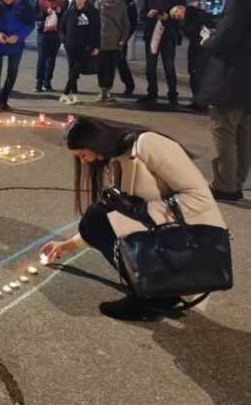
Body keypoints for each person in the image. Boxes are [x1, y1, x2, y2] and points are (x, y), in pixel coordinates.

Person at [40, 117, 226, 321]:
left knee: (98, 216)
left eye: (82, 155)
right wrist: (67, 245)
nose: (83, 161)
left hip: (190, 238)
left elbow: (199, 197)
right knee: (96, 218)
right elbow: (109, 219)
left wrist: (143, 211)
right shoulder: (115, 160)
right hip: (161, 232)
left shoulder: (148, 144)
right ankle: (154, 288)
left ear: (94, 143)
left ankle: (157, 296)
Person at [199, 0, 251, 202]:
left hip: (232, 80)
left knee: (225, 133)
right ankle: (236, 183)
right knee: (244, 135)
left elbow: (223, 42)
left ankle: (224, 186)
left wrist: (207, 39)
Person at [139, 0, 186, 105]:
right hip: (152, 35)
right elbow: (142, 15)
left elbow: (183, 15)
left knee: (169, 66)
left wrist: (169, 17)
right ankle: (152, 93)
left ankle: (173, 95)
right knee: (150, 67)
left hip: (169, 36)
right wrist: (148, 15)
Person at [59, 0, 100, 105]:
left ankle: (65, 94)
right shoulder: (69, 11)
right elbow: (62, 28)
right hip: (70, 46)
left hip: (86, 46)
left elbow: (97, 30)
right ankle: (74, 96)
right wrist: (63, 40)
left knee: (76, 69)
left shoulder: (92, 12)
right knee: (72, 71)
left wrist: (96, 46)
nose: (80, 0)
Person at [170, 4, 213, 111]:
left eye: (176, 14)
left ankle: (201, 103)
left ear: (181, 9)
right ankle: (197, 101)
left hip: (203, 50)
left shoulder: (198, 16)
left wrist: (183, 25)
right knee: (194, 76)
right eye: (175, 17)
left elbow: (195, 32)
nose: (177, 17)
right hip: (195, 48)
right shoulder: (187, 19)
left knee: (198, 76)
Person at [95, 0, 130, 103]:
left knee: (110, 68)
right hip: (100, 41)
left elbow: (126, 24)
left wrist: (123, 40)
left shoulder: (121, 4)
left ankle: (108, 91)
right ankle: (102, 91)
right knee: (101, 67)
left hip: (115, 43)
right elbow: (93, 22)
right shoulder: (98, 3)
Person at [34, 0, 69, 93]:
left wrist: (60, 12)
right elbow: (35, 15)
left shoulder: (63, 0)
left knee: (52, 58)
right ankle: (39, 82)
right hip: (42, 32)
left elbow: (66, 16)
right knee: (42, 57)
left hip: (56, 32)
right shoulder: (40, 0)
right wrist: (44, 13)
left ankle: (47, 82)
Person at [117, 0, 138, 96]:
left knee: (121, 63)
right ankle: (105, 88)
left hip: (121, 40)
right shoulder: (107, 1)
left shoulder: (129, 3)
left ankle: (129, 85)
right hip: (108, 38)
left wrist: (125, 38)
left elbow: (133, 24)